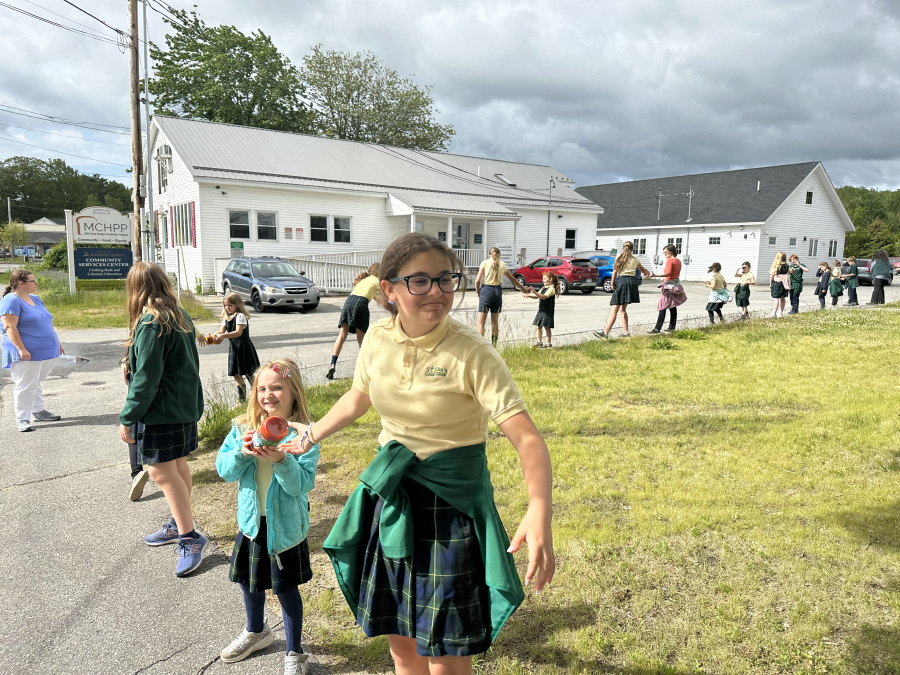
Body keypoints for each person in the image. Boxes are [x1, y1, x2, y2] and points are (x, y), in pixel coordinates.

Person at [280, 233, 554, 674]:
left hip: (450, 509)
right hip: (392, 500)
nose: (438, 292)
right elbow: (357, 397)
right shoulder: (378, 339)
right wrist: (311, 434)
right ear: (388, 290)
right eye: (420, 281)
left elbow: (527, 438)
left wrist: (539, 509)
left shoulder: (473, 353)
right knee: (402, 644)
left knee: (444, 653)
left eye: (446, 280)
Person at [216, 358, 320, 675]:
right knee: (250, 582)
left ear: (294, 393)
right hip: (251, 525)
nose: (268, 394)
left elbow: (302, 484)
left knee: (286, 590)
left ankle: (294, 652)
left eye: (277, 387)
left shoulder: (303, 435)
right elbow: (224, 470)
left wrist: (280, 459)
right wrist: (241, 452)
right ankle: (256, 630)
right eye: (262, 388)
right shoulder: (243, 428)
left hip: (286, 530)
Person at [118, 261, 206, 577]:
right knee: (177, 465)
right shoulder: (180, 315)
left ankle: (189, 537)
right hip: (182, 407)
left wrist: (128, 417)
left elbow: (146, 379)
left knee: (158, 471)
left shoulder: (150, 324)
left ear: (136, 288)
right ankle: (180, 522)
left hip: (161, 411)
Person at [0, 269, 63, 432]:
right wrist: (21, 349)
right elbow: (9, 327)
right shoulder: (10, 301)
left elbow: (46, 321)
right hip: (26, 352)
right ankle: (22, 418)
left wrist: (57, 342)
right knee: (26, 384)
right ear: (21, 284)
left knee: (34, 382)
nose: (35, 284)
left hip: (46, 349)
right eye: (32, 281)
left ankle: (38, 410)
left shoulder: (35, 298)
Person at [326, 264, 380, 380]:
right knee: (361, 340)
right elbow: (382, 298)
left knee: (341, 335)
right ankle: (364, 369)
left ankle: (332, 364)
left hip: (349, 301)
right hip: (361, 303)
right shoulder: (378, 281)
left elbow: (373, 295)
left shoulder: (364, 281)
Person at [594, 241, 651, 339]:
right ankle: (625, 333)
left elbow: (615, 271)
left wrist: (612, 283)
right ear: (632, 249)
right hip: (631, 282)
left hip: (622, 281)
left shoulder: (619, 257)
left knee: (614, 309)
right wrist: (647, 272)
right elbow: (643, 270)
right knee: (623, 309)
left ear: (623, 248)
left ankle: (605, 333)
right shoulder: (635, 259)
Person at [474, 246, 528, 348]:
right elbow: (513, 280)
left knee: (481, 322)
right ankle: (494, 345)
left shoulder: (485, 263)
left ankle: (480, 346)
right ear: (500, 255)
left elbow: (477, 281)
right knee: (495, 322)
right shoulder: (502, 265)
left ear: (490, 255)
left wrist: (478, 291)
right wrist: (522, 288)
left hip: (486, 290)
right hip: (497, 291)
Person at [212, 293, 260, 401]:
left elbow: (238, 332)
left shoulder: (240, 316)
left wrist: (223, 336)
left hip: (244, 348)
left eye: (230, 305)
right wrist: (212, 336)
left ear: (237, 305)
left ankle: (256, 397)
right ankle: (242, 400)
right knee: (236, 374)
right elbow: (221, 330)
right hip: (234, 348)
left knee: (249, 373)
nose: (227, 308)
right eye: (225, 305)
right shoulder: (227, 318)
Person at [120, 354, 149, 501]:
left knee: (132, 437)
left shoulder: (127, 360)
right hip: (154, 404)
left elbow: (127, 381)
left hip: (135, 404)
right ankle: (154, 465)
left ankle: (136, 472)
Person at [647, 244, 685, 334]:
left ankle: (657, 329)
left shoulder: (670, 261)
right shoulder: (678, 261)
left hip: (668, 285)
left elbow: (667, 273)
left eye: (665, 252)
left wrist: (655, 275)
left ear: (671, 252)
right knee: (672, 306)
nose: (665, 254)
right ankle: (672, 327)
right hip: (676, 285)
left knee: (662, 306)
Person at [524, 271, 559, 348]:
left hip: (548, 311)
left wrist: (534, 291)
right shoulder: (543, 287)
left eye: (545, 278)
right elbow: (538, 296)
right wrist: (529, 295)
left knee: (547, 327)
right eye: (543, 278)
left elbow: (543, 297)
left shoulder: (551, 289)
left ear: (551, 279)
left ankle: (548, 344)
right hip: (541, 310)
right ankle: (539, 342)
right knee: (538, 326)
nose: (543, 280)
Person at [769, 252, 790, 317]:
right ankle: (780, 312)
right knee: (782, 298)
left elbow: (772, 276)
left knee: (776, 298)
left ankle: (774, 312)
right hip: (784, 283)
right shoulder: (786, 265)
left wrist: (770, 284)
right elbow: (789, 272)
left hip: (777, 282)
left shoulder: (776, 265)